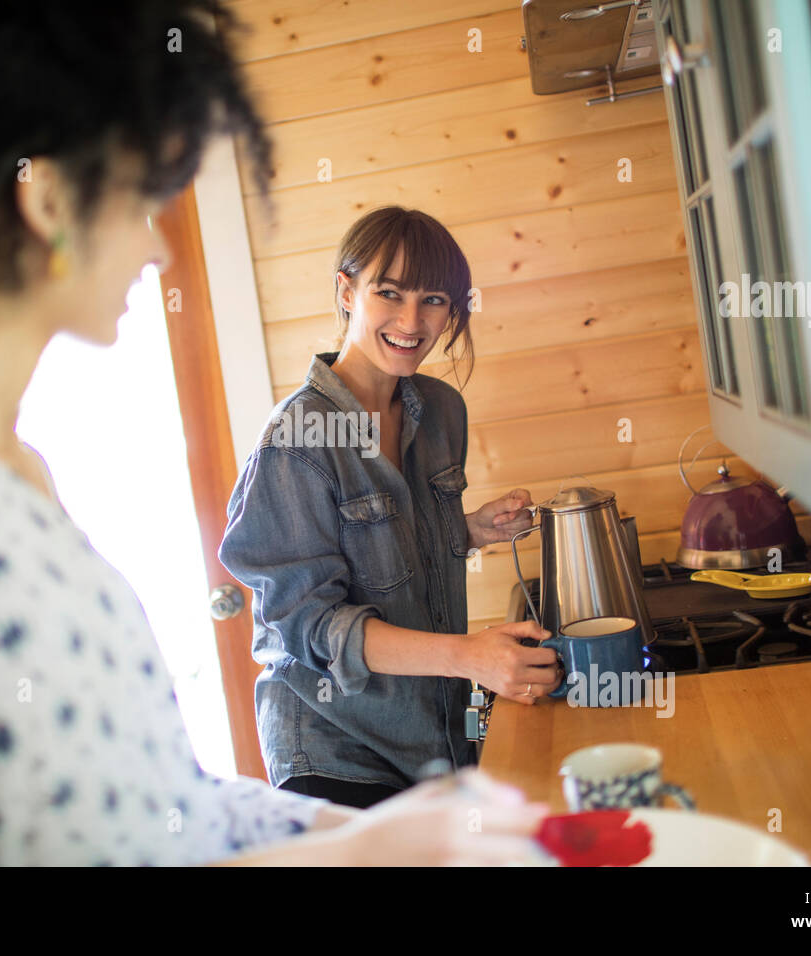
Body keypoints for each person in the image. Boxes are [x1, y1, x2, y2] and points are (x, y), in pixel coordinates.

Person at [0, 0, 549, 865]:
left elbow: (161, 804)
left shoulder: (20, 469)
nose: (156, 249)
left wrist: (380, 837)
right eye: (141, 198)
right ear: (47, 199)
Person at [219, 207, 562, 809]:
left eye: (433, 300)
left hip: (432, 740)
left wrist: (471, 529)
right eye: (389, 293)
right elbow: (310, 626)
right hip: (334, 753)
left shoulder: (440, 410)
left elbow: (390, 537)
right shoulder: (296, 440)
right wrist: (467, 657)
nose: (412, 321)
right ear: (347, 291)